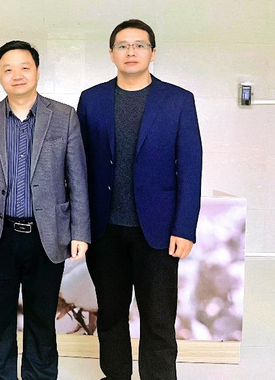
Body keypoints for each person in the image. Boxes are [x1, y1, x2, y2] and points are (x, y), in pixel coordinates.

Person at [76, 19, 203, 380]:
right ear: (112, 53)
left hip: (159, 232)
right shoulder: (92, 99)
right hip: (105, 229)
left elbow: (190, 168)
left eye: (139, 45)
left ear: (152, 52)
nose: (130, 52)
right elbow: (79, 165)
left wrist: (185, 228)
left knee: (158, 318)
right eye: (123, 46)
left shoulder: (178, 101)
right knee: (110, 315)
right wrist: (79, 226)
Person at [0, 40, 90, 379]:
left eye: (24, 67)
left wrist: (80, 232)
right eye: (8, 69)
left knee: (42, 319)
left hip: (47, 236)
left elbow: (78, 179)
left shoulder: (64, 117)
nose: (17, 75)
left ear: (37, 71)